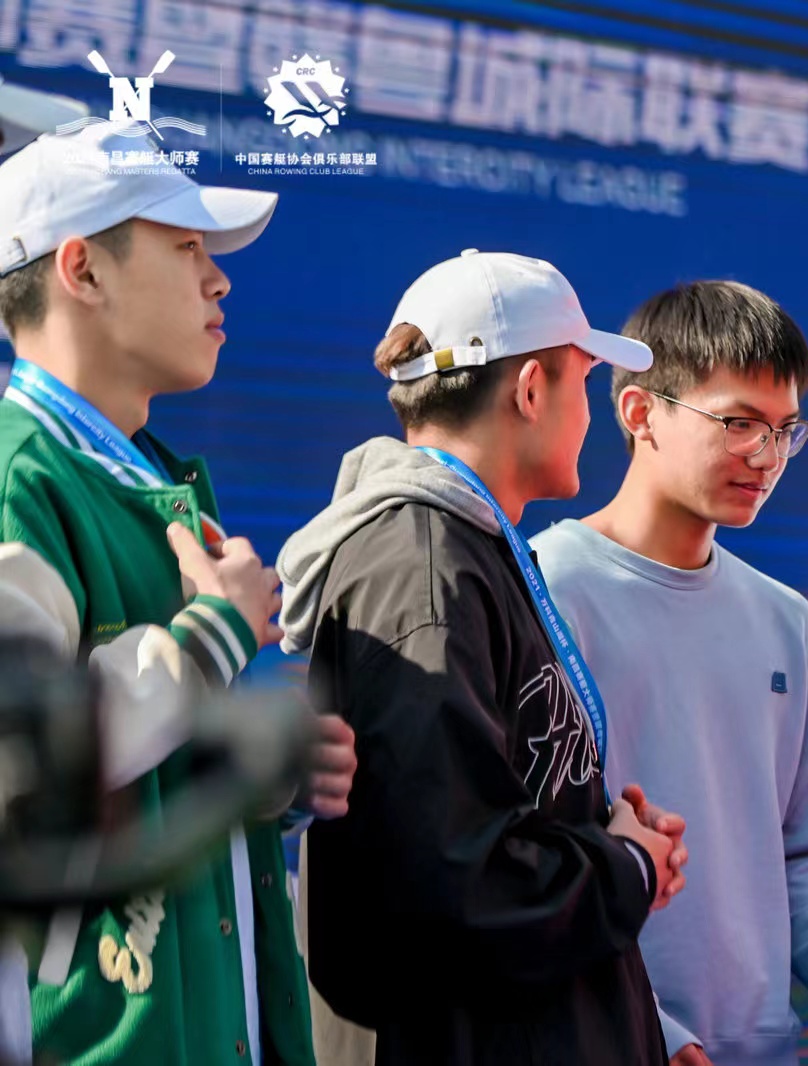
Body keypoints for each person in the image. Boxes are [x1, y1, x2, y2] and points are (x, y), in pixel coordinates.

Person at [0, 122, 355, 1066]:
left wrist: (263, 777)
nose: (218, 280)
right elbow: (20, 769)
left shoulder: (155, 477)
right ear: (82, 269)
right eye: (187, 246)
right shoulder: (16, 477)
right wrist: (212, 634)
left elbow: (142, 774)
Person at [275, 250, 683, 1066]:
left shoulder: (461, 545)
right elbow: (455, 879)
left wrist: (607, 833)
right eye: (583, 383)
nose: (590, 415)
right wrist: (627, 867)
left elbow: (480, 811)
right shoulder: (423, 566)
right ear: (530, 390)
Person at [529, 280, 808, 1066]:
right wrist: (655, 1034)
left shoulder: (788, 625)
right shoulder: (541, 594)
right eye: (738, 423)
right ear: (640, 412)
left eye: (784, 430)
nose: (766, 457)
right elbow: (531, 872)